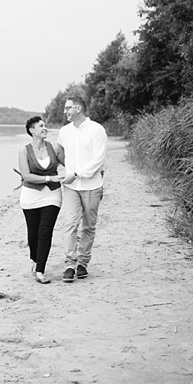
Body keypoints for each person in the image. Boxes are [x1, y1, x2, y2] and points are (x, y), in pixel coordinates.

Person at [56, 95, 107, 283]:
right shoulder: (64, 131)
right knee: (70, 223)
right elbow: (59, 153)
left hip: (92, 186)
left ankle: (83, 263)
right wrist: (67, 171)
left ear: (78, 108)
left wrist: (76, 173)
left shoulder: (97, 130)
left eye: (68, 108)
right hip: (71, 186)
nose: (65, 111)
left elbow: (98, 159)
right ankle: (70, 264)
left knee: (88, 226)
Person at [18, 116, 64, 284]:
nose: (45, 128)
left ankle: (40, 271)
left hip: (52, 195)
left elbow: (71, 163)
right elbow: (26, 175)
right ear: (32, 130)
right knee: (33, 234)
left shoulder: (55, 148)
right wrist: (48, 179)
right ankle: (35, 259)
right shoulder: (24, 151)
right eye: (41, 126)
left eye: (45, 126)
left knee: (45, 231)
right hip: (30, 195)